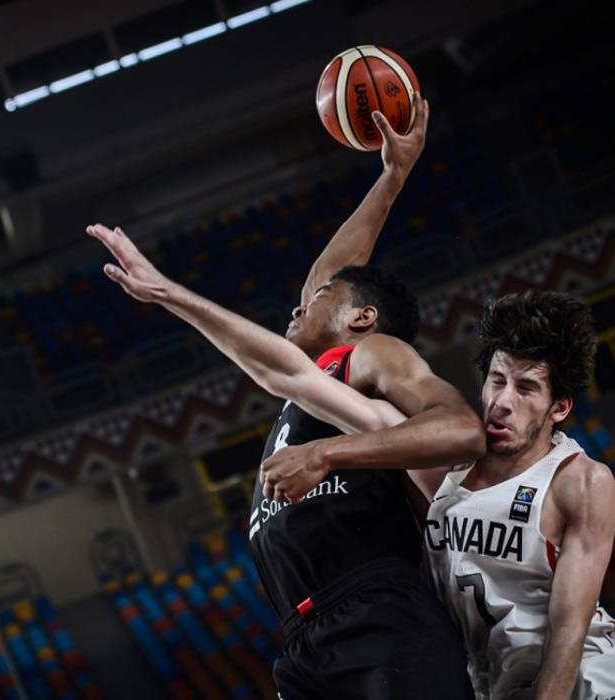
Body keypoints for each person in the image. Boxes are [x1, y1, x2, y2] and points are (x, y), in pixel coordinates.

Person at [86, 95, 485, 699]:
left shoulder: (375, 354)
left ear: (362, 318)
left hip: (377, 609)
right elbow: (332, 272)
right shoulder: (317, 371)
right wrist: (391, 177)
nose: (300, 302)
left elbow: (460, 427)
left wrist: (328, 456)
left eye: (321, 297)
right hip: (305, 638)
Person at [260, 290, 615, 699]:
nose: (502, 402)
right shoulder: (441, 472)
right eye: (496, 381)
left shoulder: (580, 480)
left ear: (559, 408)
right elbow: (307, 381)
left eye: (526, 388)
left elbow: (570, 625)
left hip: (584, 679)